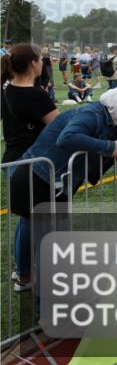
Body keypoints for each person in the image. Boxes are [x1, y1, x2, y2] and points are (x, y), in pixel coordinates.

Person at [9, 85, 117, 289]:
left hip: (53, 179)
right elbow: (67, 137)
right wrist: (110, 147)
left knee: (38, 227)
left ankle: (30, 276)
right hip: (38, 176)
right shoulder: (91, 114)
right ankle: (28, 278)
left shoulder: (110, 114)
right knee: (34, 227)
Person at [1, 44, 60, 290]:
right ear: (34, 63)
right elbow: (58, 126)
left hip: (14, 160)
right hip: (30, 164)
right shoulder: (35, 95)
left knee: (28, 218)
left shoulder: (5, 90)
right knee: (31, 218)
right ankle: (24, 275)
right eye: (40, 60)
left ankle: (23, 271)